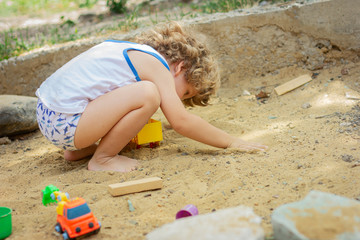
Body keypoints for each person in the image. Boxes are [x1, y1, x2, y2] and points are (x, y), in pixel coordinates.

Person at [35, 21, 267, 172]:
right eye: (185, 92)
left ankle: (78, 152)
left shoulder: (129, 53)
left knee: (141, 105)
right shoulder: (156, 65)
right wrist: (231, 141)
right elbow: (181, 122)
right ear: (180, 67)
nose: (180, 99)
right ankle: (102, 159)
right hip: (67, 122)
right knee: (149, 94)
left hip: (49, 115)